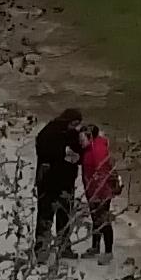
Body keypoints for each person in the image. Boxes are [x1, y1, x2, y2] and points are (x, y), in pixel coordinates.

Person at [30, 105, 85, 257]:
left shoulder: (72, 134)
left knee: (64, 216)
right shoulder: (49, 132)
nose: (75, 127)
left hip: (65, 182)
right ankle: (42, 249)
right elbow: (43, 149)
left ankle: (63, 247)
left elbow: (81, 152)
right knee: (46, 216)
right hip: (49, 182)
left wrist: (77, 154)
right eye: (74, 123)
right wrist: (63, 152)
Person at [77, 119, 120, 258]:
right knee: (96, 220)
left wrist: (98, 195)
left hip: (100, 192)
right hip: (93, 191)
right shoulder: (91, 148)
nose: (80, 142)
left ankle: (108, 252)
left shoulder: (97, 151)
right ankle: (95, 247)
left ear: (90, 137)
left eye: (82, 139)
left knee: (103, 221)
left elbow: (102, 174)